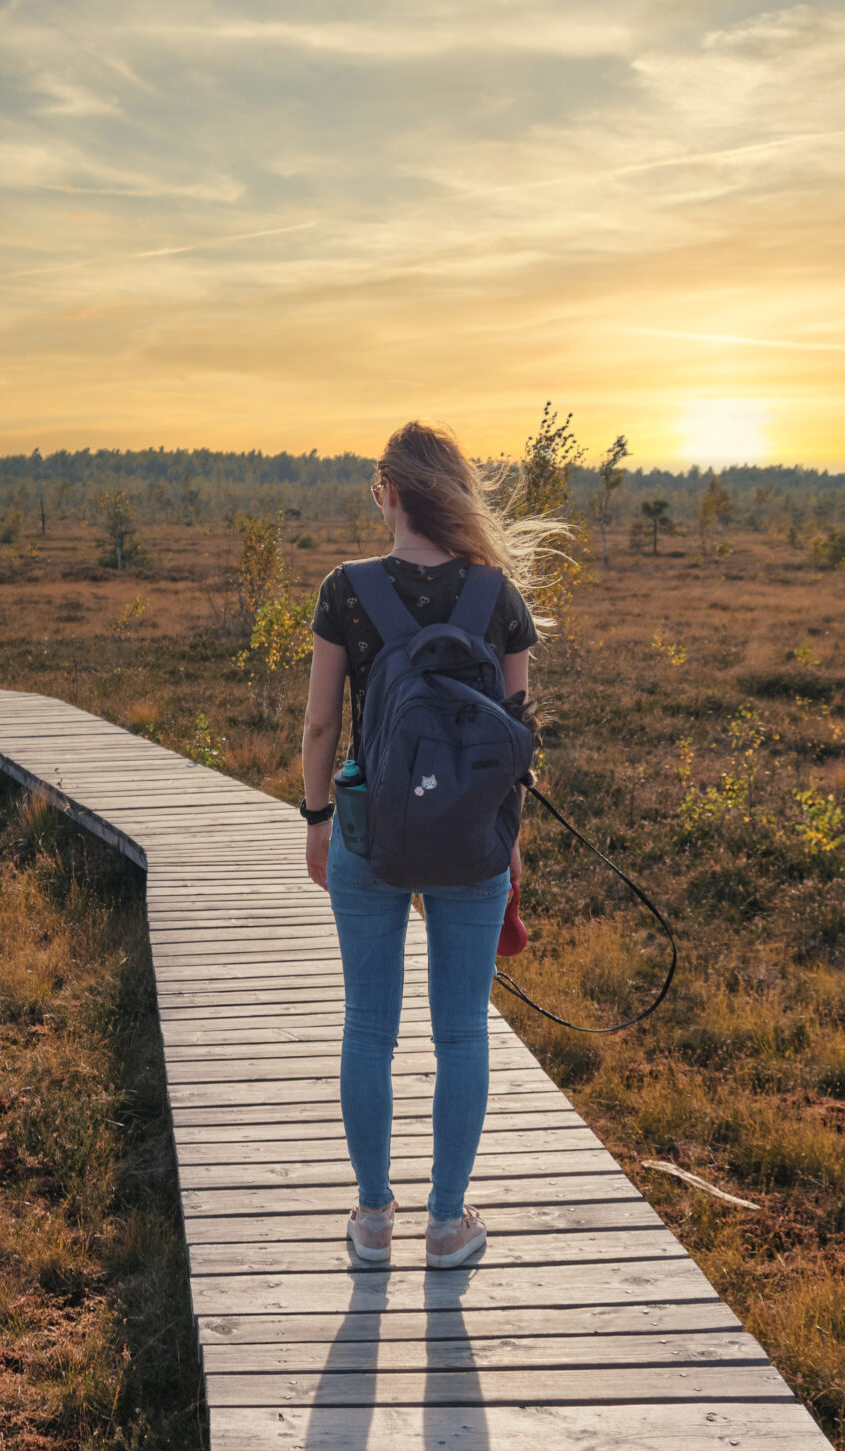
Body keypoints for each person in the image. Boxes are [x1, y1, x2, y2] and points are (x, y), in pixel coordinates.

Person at [299, 420, 558, 1270]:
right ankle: (447, 1223)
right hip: (474, 842)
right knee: (462, 1034)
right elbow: (517, 741)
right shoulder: (497, 595)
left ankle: (373, 1220)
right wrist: (507, 846)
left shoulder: (345, 590)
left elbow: (320, 722)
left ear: (389, 490)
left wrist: (315, 819)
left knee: (368, 1029)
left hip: (371, 832)